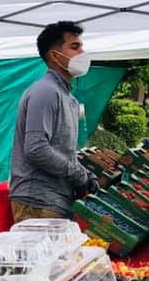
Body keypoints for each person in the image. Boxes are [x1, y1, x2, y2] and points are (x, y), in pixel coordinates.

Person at [9, 21, 97, 221]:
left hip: (56, 199)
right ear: (55, 56)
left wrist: (84, 173)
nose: (82, 52)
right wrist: (78, 174)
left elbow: (62, 150)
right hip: (38, 201)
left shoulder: (68, 98)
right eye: (75, 47)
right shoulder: (45, 92)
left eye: (82, 46)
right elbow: (36, 149)